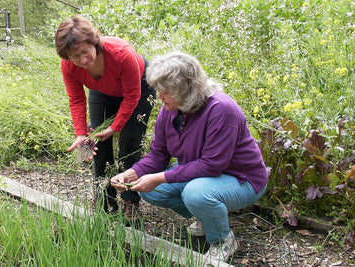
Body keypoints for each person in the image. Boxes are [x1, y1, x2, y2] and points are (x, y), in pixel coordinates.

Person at [111, 52, 268, 261]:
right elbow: (158, 155)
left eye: (164, 91)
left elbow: (211, 166)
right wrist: (132, 173)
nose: (159, 96)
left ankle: (223, 240)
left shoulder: (221, 109)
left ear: (184, 89)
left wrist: (158, 177)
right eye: (158, 89)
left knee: (196, 194)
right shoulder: (169, 111)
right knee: (150, 191)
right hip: (202, 177)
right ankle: (207, 216)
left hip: (242, 180)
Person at [55, 15, 156, 223]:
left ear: (94, 42)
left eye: (86, 51)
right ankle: (104, 198)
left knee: (130, 144)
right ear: (67, 57)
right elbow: (76, 99)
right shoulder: (68, 66)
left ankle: (131, 201)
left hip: (138, 88)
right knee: (97, 143)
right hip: (103, 91)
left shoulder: (121, 53)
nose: (83, 60)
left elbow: (132, 97)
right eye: (75, 56)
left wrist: (115, 127)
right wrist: (82, 134)